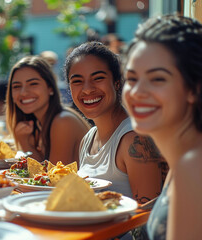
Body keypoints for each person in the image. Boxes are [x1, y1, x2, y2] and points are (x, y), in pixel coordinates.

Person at [122, 15, 202, 239]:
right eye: (132, 78)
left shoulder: (197, 164)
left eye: (157, 79)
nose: (137, 92)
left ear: (194, 88)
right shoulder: (188, 156)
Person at [65, 41, 165, 203]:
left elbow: (146, 215)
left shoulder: (134, 138)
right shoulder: (88, 138)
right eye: (77, 81)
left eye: (98, 78)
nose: (87, 89)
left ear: (117, 82)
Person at [6, 55, 90, 165]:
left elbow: (53, 178)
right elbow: (40, 169)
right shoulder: (40, 123)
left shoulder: (63, 121)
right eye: (17, 86)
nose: (23, 92)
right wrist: (24, 141)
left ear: (50, 88)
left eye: (33, 84)